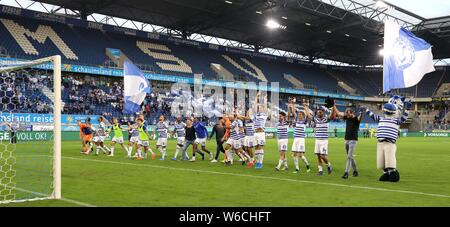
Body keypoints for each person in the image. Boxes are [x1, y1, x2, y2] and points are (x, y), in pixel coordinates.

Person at [365, 97, 412, 182]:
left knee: (390, 161)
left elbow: (404, 118)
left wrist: (407, 108)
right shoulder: (381, 119)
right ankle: (386, 173)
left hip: (389, 143)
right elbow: (372, 116)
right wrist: (367, 110)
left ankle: (393, 173)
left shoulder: (396, 121)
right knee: (380, 162)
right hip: (380, 143)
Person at [332, 105, 362, 179]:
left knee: (349, 156)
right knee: (350, 156)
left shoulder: (355, 119)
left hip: (353, 140)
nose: (347, 115)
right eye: (346, 114)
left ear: (352, 113)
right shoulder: (347, 117)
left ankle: (346, 173)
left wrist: (361, 113)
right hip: (346, 140)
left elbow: (359, 119)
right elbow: (338, 113)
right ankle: (355, 171)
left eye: (348, 114)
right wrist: (333, 105)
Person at [305, 104, 332, 176]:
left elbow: (332, 116)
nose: (319, 113)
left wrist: (333, 107)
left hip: (324, 140)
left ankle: (328, 164)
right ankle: (320, 171)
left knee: (323, 156)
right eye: (318, 112)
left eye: (320, 112)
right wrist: (306, 107)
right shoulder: (315, 119)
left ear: (323, 112)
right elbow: (309, 116)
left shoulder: (326, 119)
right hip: (317, 140)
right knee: (318, 156)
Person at [287, 99, 310, 173]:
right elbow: (293, 113)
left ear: (303, 116)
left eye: (300, 114)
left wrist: (305, 107)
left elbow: (308, 115)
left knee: (301, 155)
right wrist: (293, 104)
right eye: (299, 114)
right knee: (294, 154)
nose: (299, 115)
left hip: (301, 139)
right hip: (296, 139)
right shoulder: (296, 120)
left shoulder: (305, 121)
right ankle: (297, 168)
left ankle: (307, 165)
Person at [253, 93, 270, 169]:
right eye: (258, 107)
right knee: (256, 147)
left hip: (261, 133)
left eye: (260, 107)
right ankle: (257, 162)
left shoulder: (265, 115)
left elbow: (266, 107)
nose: (259, 108)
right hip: (255, 133)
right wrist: (257, 96)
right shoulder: (256, 115)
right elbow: (254, 105)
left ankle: (260, 162)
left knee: (260, 147)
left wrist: (265, 100)